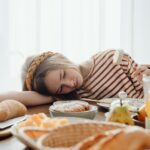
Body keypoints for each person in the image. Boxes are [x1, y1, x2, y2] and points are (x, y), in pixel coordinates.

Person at [0, 49, 150, 106]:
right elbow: (15, 97)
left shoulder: (111, 58)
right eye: (60, 87)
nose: (70, 84)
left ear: (62, 59)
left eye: (63, 74)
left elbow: (145, 86)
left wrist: (147, 76)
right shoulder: (70, 97)